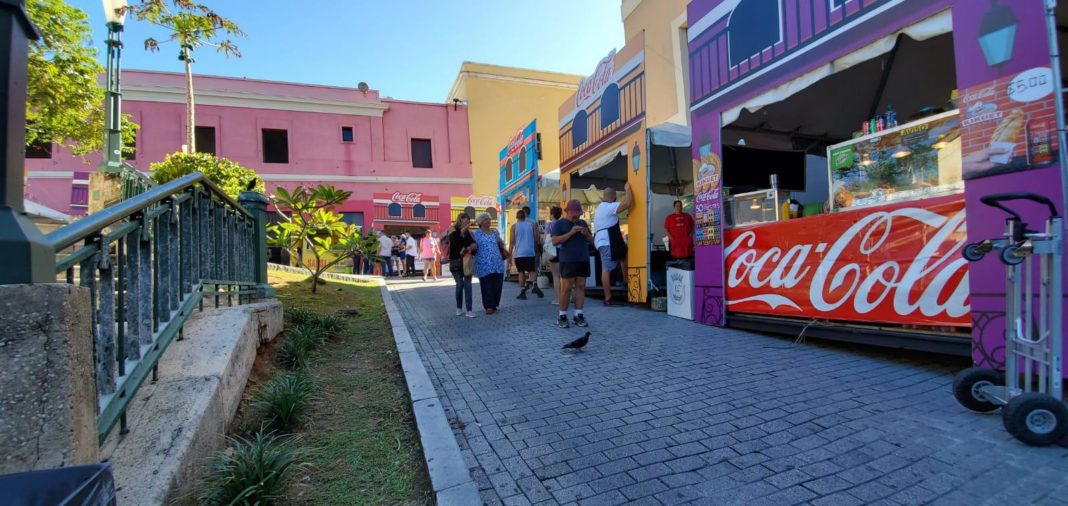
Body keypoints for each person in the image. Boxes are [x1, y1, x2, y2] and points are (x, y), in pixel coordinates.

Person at [552, 199, 593, 328]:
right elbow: (554, 241)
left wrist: (586, 234)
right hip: (567, 260)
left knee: (581, 286)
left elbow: (592, 242)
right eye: (574, 213)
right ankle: (562, 316)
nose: (577, 216)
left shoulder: (583, 223)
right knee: (567, 287)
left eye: (578, 213)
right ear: (567, 211)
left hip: (583, 259)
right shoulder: (559, 224)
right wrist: (571, 232)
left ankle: (578, 314)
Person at [593, 182, 633, 306]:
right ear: (612, 196)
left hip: (604, 240)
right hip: (607, 241)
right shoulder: (608, 207)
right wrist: (628, 190)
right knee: (606, 269)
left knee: (623, 253)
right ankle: (608, 298)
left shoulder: (599, 208)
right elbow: (627, 203)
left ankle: (626, 280)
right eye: (615, 196)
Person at [471, 213, 509, 314]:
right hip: (483, 264)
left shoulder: (495, 232)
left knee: (497, 285)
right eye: (486, 220)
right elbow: (472, 245)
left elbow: (501, 244)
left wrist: (501, 242)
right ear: (480, 222)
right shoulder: (476, 233)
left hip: (497, 263)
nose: (488, 221)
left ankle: (494, 303)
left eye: (489, 219)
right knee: (486, 285)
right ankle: (489, 306)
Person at [445, 214, 476, 318]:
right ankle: (459, 307)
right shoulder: (452, 229)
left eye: (468, 220)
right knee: (460, 284)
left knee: (468, 285)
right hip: (456, 262)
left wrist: (472, 246)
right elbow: (454, 244)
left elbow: (472, 244)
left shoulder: (468, 232)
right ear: (460, 220)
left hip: (466, 261)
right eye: (466, 220)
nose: (467, 222)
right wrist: (461, 233)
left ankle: (469, 310)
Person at [508, 209, 543, 300]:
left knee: (521, 272)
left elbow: (512, 242)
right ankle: (535, 285)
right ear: (525, 217)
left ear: (516, 217)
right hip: (530, 252)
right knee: (532, 270)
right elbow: (536, 238)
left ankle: (523, 292)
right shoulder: (530, 225)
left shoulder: (514, 227)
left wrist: (509, 255)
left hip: (520, 253)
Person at [545, 206, 563, 305]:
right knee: (564, 276)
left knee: (556, 276)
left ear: (552, 214)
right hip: (563, 250)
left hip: (553, 251)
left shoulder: (550, 225)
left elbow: (545, 238)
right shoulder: (562, 224)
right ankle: (570, 296)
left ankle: (558, 299)